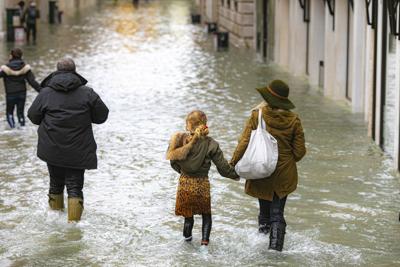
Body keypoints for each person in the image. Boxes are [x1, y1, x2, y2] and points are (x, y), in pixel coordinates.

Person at [28, 58, 109, 222]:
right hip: (79, 149)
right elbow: (102, 116)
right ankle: (73, 227)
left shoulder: (45, 93)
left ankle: (55, 221)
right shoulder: (87, 93)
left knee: (55, 183)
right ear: (74, 71)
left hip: (52, 148)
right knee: (75, 186)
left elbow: (33, 116)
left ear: (56, 71)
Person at [230, 80, 306, 252]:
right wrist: (285, 158)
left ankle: (262, 244)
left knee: (264, 212)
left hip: (261, 169)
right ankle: (275, 250)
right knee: (277, 213)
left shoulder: (257, 115)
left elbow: (244, 142)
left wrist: (233, 163)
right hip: (283, 174)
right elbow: (300, 152)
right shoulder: (294, 120)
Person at [167, 110, 239, 246]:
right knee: (206, 215)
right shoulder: (211, 144)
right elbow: (223, 168)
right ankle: (204, 245)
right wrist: (236, 174)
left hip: (185, 184)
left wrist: (183, 172)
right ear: (204, 124)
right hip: (202, 184)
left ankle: (187, 243)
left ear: (188, 125)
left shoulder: (179, 140)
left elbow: (173, 162)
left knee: (188, 218)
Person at [0, 48, 40, 128]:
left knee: (9, 113)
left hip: (10, 94)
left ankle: (12, 128)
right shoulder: (25, 68)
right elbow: (32, 82)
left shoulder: (5, 69)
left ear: (11, 56)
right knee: (20, 113)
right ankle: (22, 127)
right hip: (22, 93)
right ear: (21, 56)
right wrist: (42, 91)